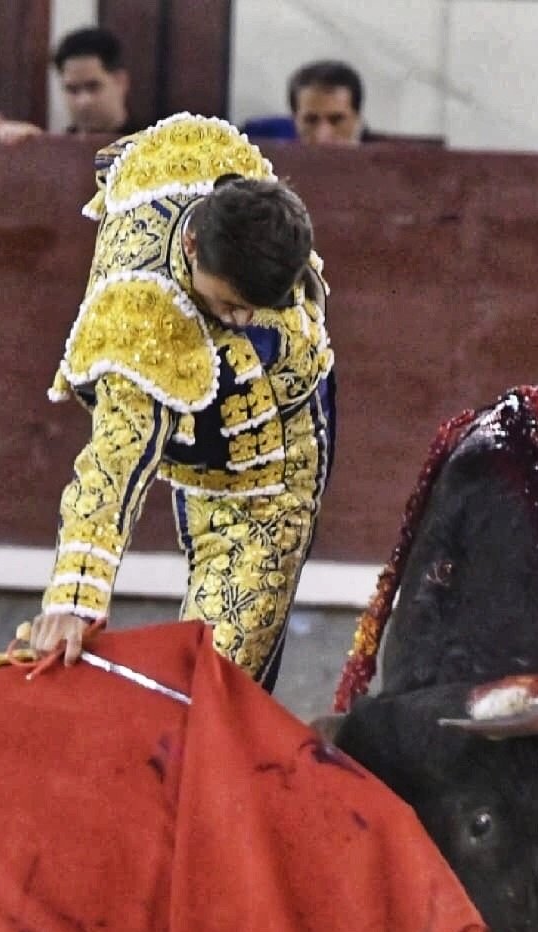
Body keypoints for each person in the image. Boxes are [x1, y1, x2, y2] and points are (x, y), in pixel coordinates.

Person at [25, 114, 336, 693]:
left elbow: (129, 152)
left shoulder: (208, 169)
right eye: (231, 303)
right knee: (210, 691)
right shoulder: (141, 321)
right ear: (191, 246)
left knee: (213, 684)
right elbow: (112, 463)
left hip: (277, 470)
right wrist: (74, 598)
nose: (243, 319)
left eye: (258, 305)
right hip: (217, 446)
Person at [53, 26, 134, 137]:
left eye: (93, 87)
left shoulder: (152, 145)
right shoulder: (55, 146)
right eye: (72, 90)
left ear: (121, 82)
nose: (83, 102)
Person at [288, 59, 366, 146]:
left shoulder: (379, 151)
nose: (322, 137)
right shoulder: (279, 154)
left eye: (336, 120)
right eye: (311, 120)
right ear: (295, 121)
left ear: (357, 119)